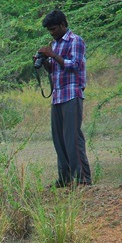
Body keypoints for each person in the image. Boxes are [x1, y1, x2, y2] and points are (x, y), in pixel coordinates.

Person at [37, 10, 92, 187]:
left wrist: (52, 55)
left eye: (53, 29)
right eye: (49, 31)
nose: (51, 33)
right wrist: (44, 61)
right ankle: (65, 179)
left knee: (72, 138)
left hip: (71, 93)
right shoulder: (55, 44)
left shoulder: (75, 40)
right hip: (58, 96)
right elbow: (54, 69)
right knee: (59, 139)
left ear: (62, 25)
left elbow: (74, 65)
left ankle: (83, 179)